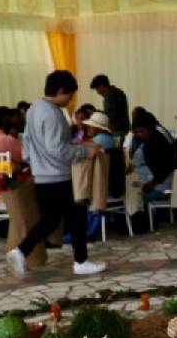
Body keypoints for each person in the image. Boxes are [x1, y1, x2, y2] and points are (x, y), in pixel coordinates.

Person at [6, 70, 104, 277]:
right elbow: (56, 148)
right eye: (70, 95)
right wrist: (84, 152)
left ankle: (21, 251)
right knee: (77, 216)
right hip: (58, 175)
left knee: (50, 220)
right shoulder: (52, 113)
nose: (70, 101)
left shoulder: (34, 108)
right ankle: (81, 261)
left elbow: (29, 144)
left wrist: (37, 165)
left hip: (43, 175)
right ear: (60, 91)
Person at [131, 111, 177, 203]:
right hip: (168, 186)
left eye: (142, 131)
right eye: (137, 132)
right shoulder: (154, 139)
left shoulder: (154, 145)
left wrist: (151, 184)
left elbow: (165, 169)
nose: (139, 135)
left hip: (164, 190)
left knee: (132, 198)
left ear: (150, 128)